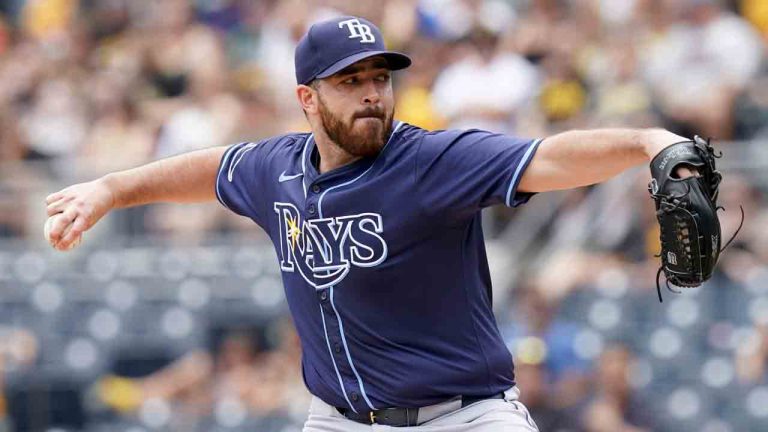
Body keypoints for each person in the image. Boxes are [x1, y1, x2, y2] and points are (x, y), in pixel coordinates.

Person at [45, 16, 698, 432]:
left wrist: (646, 141)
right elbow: (208, 170)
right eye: (350, 80)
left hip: (465, 418)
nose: (371, 94)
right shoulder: (274, 170)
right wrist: (109, 188)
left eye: (379, 78)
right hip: (341, 420)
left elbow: (547, 157)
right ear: (307, 98)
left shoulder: (432, 160)